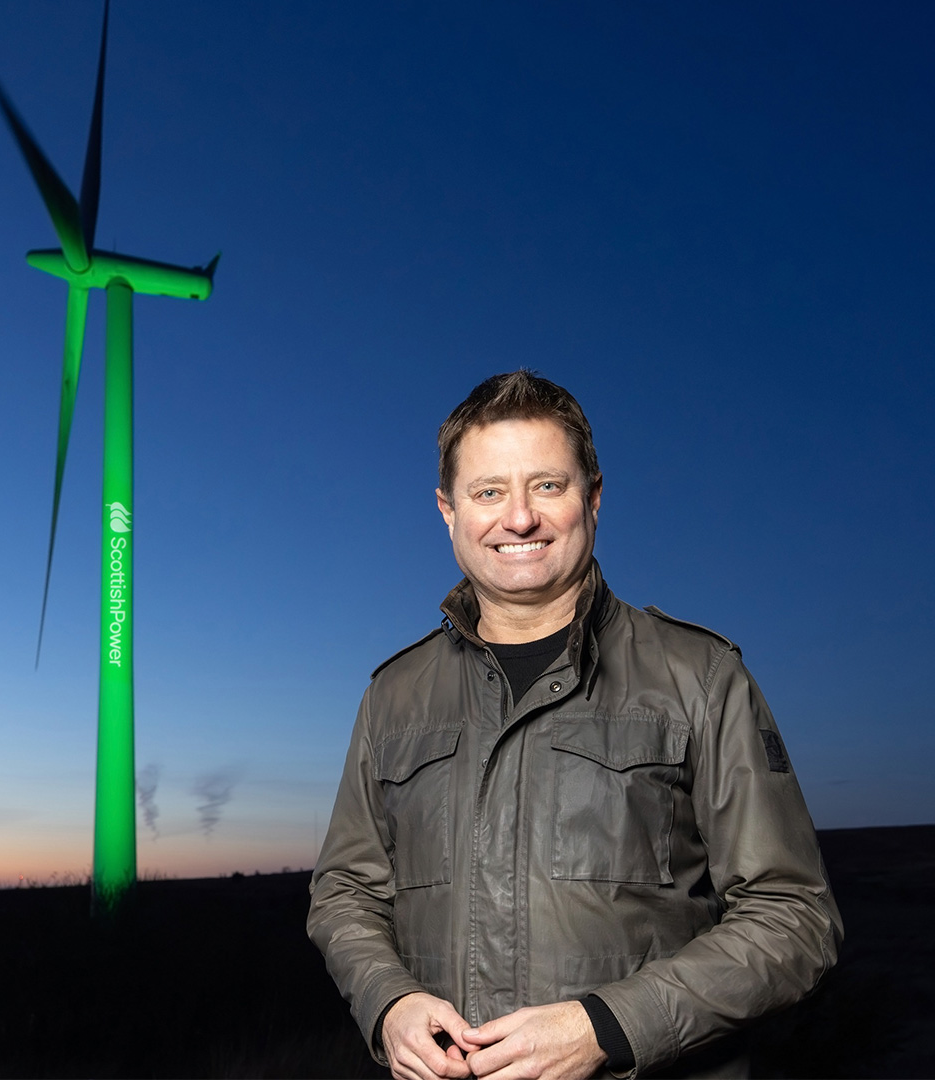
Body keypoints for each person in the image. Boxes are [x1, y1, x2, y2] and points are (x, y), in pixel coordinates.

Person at [308, 371, 842, 1079]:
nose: (519, 518)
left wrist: (608, 1028)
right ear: (447, 509)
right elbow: (346, 892)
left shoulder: (699, 676)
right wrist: (387, 1002)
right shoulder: (394, 695)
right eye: (488, 491)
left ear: (594, 497)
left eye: (548, 486)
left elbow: (794, 919)